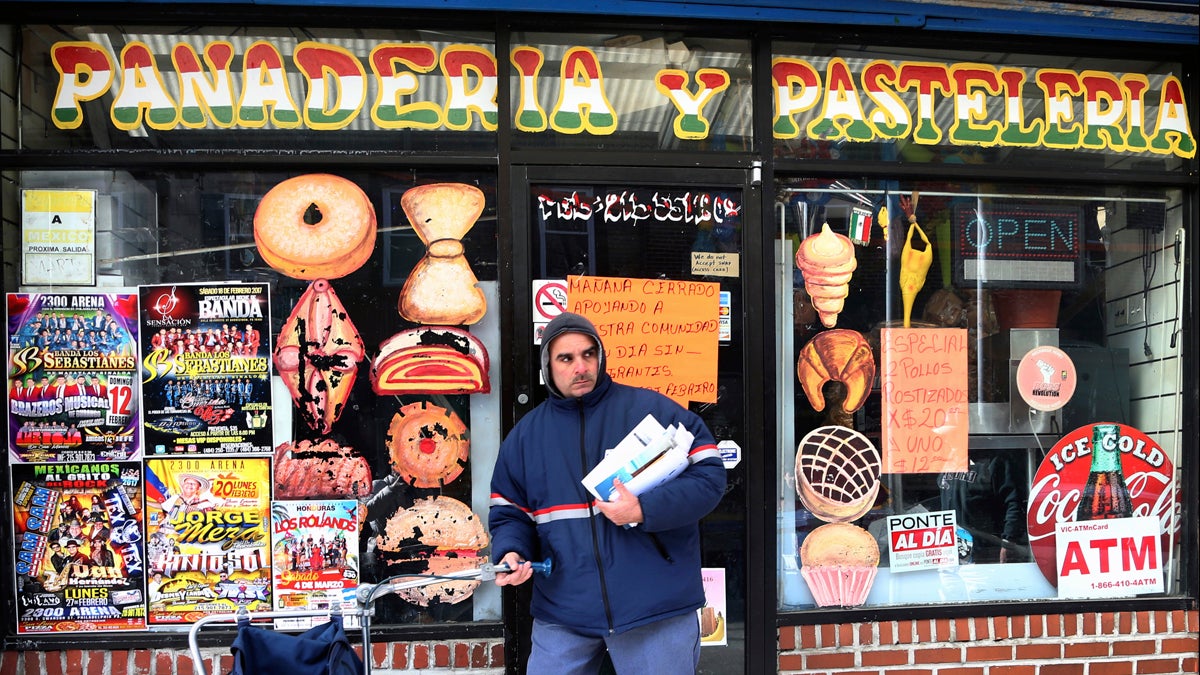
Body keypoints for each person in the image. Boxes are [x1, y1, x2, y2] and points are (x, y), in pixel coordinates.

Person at [488, 312, 726, 675]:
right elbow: (510, 514)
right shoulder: (525, 438)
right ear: (547, 367)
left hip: (654, 607)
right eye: (566, 359)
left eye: (588, 355)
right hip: (564, 612)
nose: (580, 367)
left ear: (601, 357)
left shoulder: (651, 409)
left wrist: (644, 509)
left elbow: (709, 475)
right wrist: (511, 552)